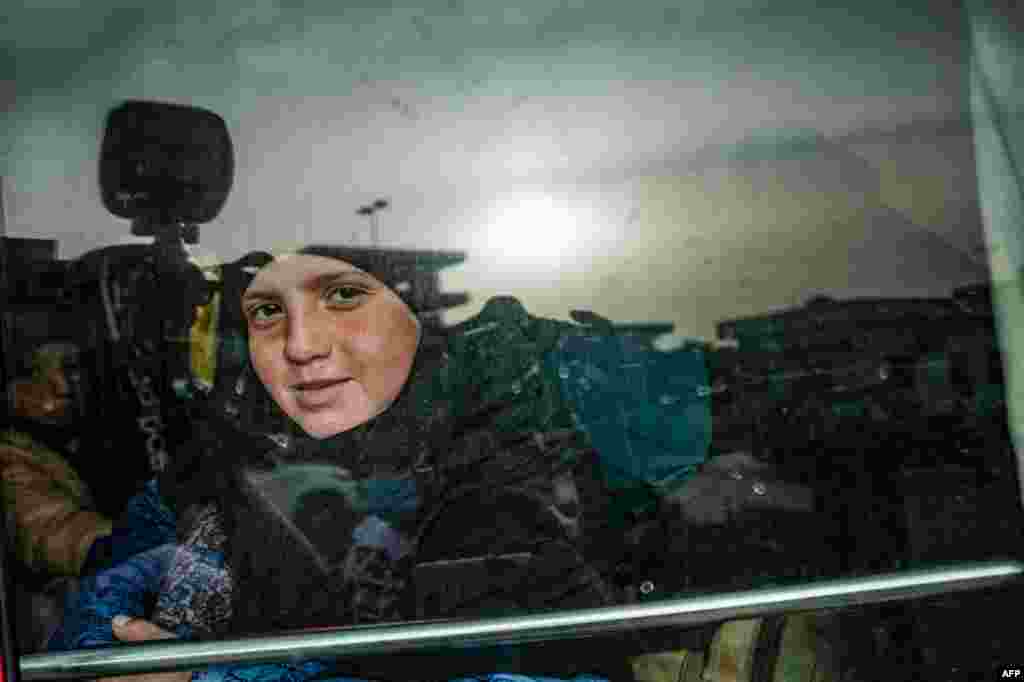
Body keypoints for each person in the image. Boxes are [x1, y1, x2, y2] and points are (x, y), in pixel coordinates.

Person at [51, 245, 825, 681]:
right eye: (266, 311)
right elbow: (97, 614)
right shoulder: (218, 467)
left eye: (343, 297)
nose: (299, 344)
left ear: (414, 318)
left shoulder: (517, 467)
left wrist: (207, 678)